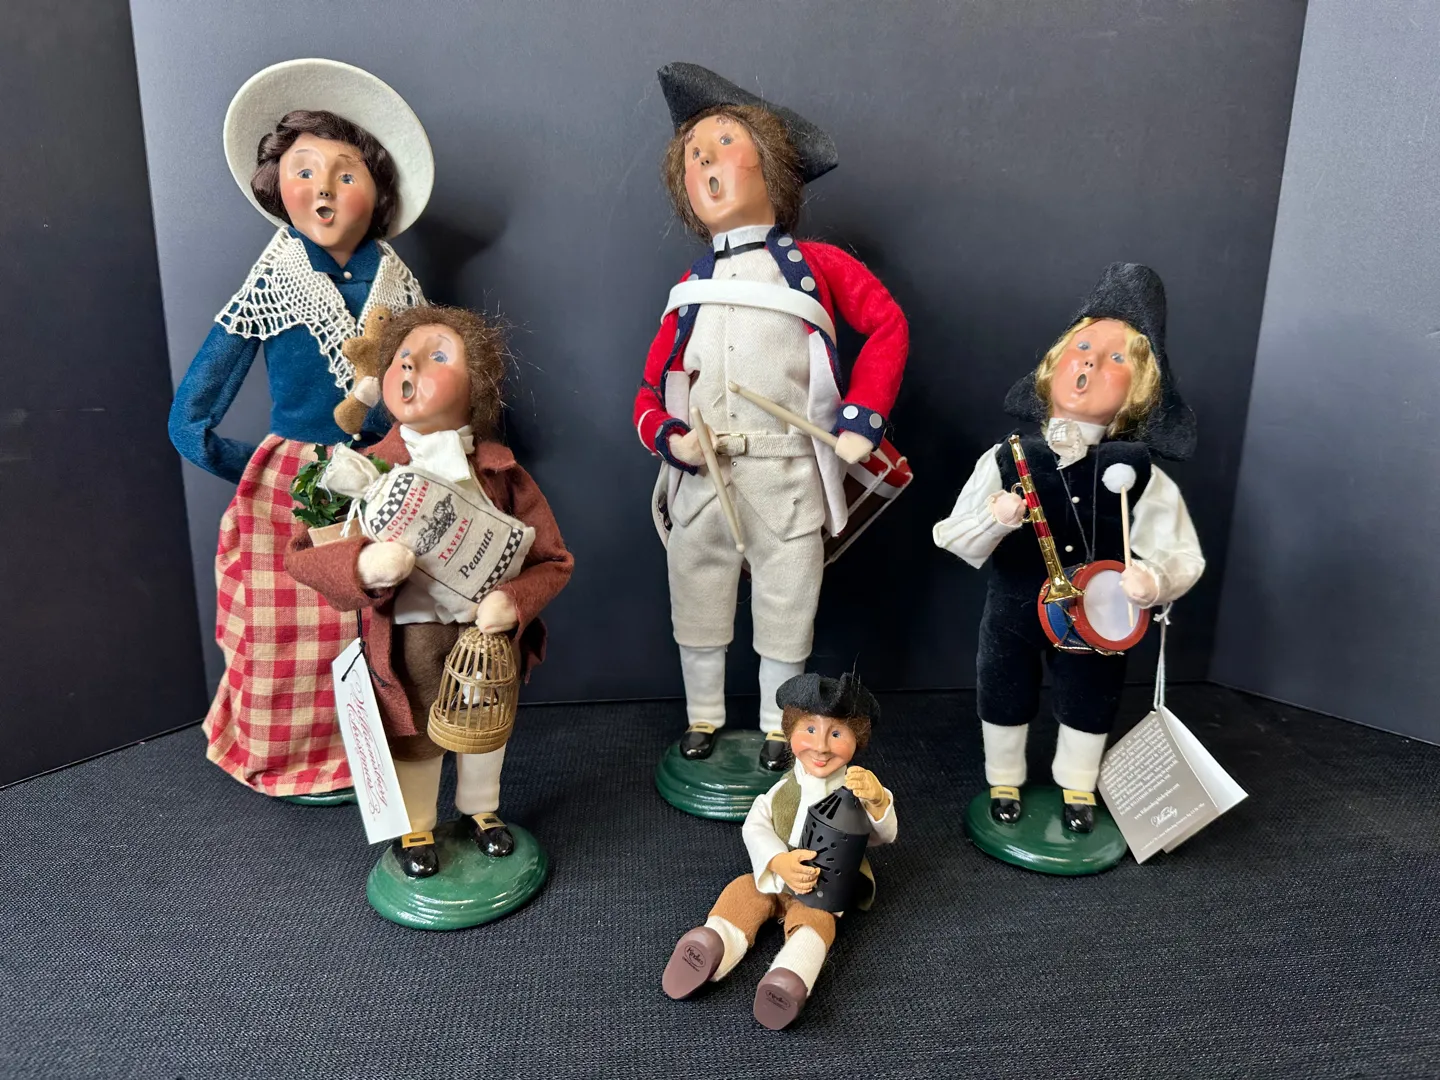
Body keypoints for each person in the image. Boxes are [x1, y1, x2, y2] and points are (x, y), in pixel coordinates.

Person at [168, 60, 432, 797]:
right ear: (276, 187)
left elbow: (436, 386)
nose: (324, 189)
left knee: (387, 624)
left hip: (389, 481)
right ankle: (290, 758)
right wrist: (268, 469)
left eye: (346, 173)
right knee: (284, 631)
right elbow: (189, 421)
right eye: (304, 171)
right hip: (293, 495)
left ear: (379, 189)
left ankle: (380, 759)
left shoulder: (401, 291)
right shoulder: (274, 284)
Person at [633, 63, 908, 771]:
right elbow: (648, 393)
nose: (706, 164)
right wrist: (672, 438)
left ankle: (777, 726)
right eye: (694, 155)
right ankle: (702, 716)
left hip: (786, 474)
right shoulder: (689, 288)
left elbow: (886, 326)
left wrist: (861, 418)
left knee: (788, 606)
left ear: (772, 165)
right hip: (703, 480)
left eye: (724, 144)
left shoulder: (815, 266)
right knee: (697, 600)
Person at [286, 305, 573, 874]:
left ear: (476, 383)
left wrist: (513, 601)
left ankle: (482, 811)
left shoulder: (502, 474)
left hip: (486, 641)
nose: (411, 366)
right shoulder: (358, 471)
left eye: (437, 356)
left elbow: (554, 561)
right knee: (413, 733)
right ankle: (416, 827)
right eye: (401, 357)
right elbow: (302, 553)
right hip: (408, 640)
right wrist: (363, 566)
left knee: (484, 728)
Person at [933, 263, 1205, 832]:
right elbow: (951, 536)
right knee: (1003, 686)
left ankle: (1078, 786)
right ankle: (1003, 778)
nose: (1090, 363)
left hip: (1099, 617)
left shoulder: (1137, 471)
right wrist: (994, 520)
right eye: (1082, 348)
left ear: (1140, 389)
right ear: (1054, 363)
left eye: (1115, 358)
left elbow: (1181, 552)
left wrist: (1153, 581)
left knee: (1091, 693)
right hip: (1013, 612)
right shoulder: (1007, 458)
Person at [662, 672, 896, 1030]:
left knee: (816, 925)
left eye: (836, 734)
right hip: (777, 880)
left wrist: (878, 801)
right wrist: (777, 860)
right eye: (810, 730)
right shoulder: (783, 789)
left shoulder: (858, 789)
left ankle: (789, 977)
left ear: (857, 740)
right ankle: (714, 943)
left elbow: (883, 836)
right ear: (789, 733)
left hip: (823, 891)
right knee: (743, 891)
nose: (821, 747)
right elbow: (755, 825)